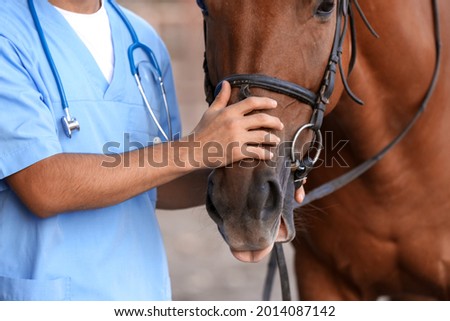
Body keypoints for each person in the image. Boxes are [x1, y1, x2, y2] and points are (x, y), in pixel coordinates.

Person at [0, 0, 305, 300]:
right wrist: (194, 150)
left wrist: (252, 184)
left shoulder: (142, 40)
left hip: (142, 294)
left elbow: (157, 180)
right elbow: (42, 186)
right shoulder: (8, 32)